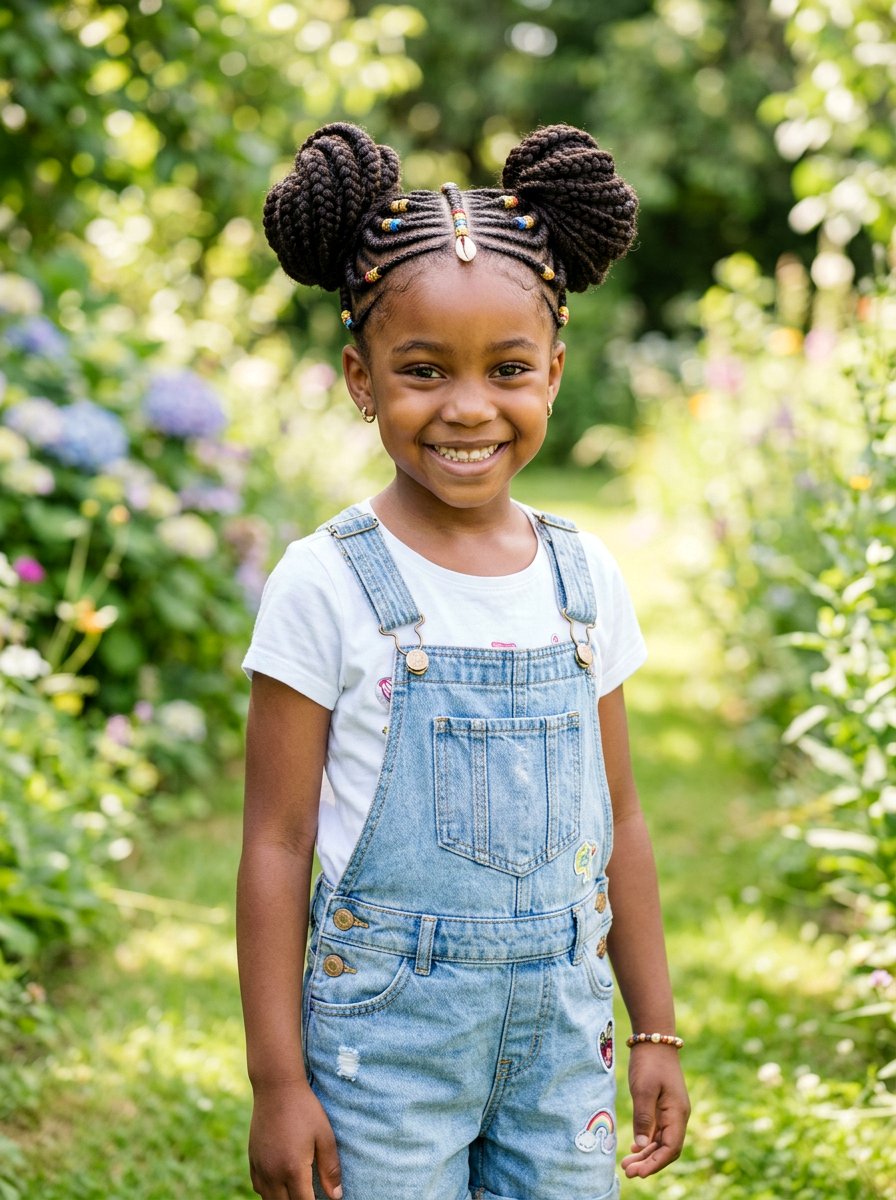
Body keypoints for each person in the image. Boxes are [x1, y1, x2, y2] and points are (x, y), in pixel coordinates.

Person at [236, 121, 689, 1200]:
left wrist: (655, 1027)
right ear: (360, 376)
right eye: (422, 370)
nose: (469, 406)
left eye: (508, 369)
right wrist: (274, 1081)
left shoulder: (584, 579)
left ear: (554, 374)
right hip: (383, 1048)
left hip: (560, 1035)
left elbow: (618, 814)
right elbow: (275, 839)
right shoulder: (324, 581)